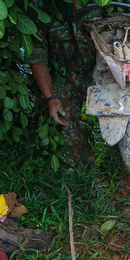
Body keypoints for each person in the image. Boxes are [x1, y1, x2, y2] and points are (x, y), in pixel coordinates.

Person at [26, 9, 96, 163]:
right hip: (68, 77)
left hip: (104, 72)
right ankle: (82, 163)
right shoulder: (43, 13)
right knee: (65, 121)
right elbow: (38, 59)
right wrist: (51, 99)